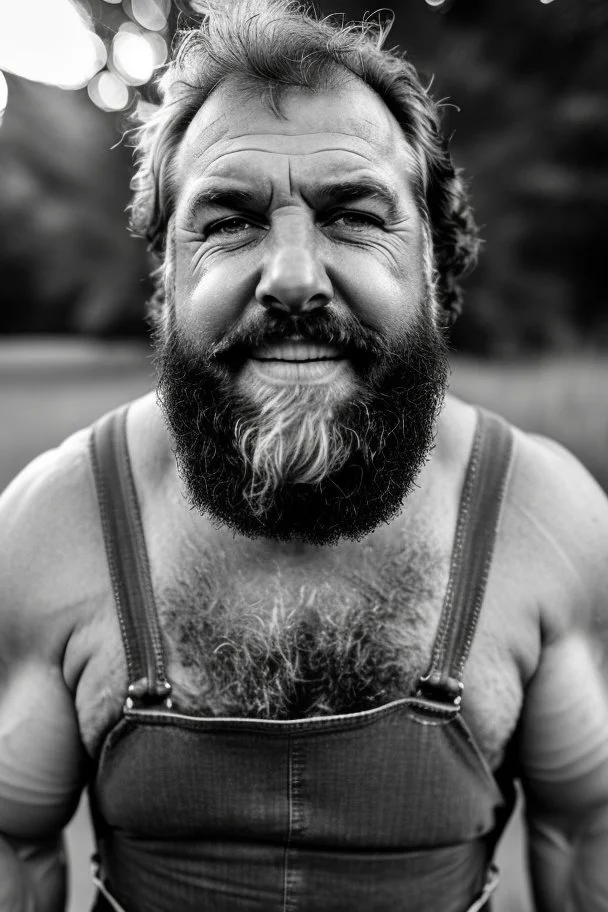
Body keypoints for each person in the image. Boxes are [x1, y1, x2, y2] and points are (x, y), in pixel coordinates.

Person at [1, 1, 608, 910]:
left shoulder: (547, 521)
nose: (290, 277)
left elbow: (582, 830)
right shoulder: (53, 523)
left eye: (354, 215)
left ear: (438, 261)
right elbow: (15, 843)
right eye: (229, 222)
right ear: (167, 280)